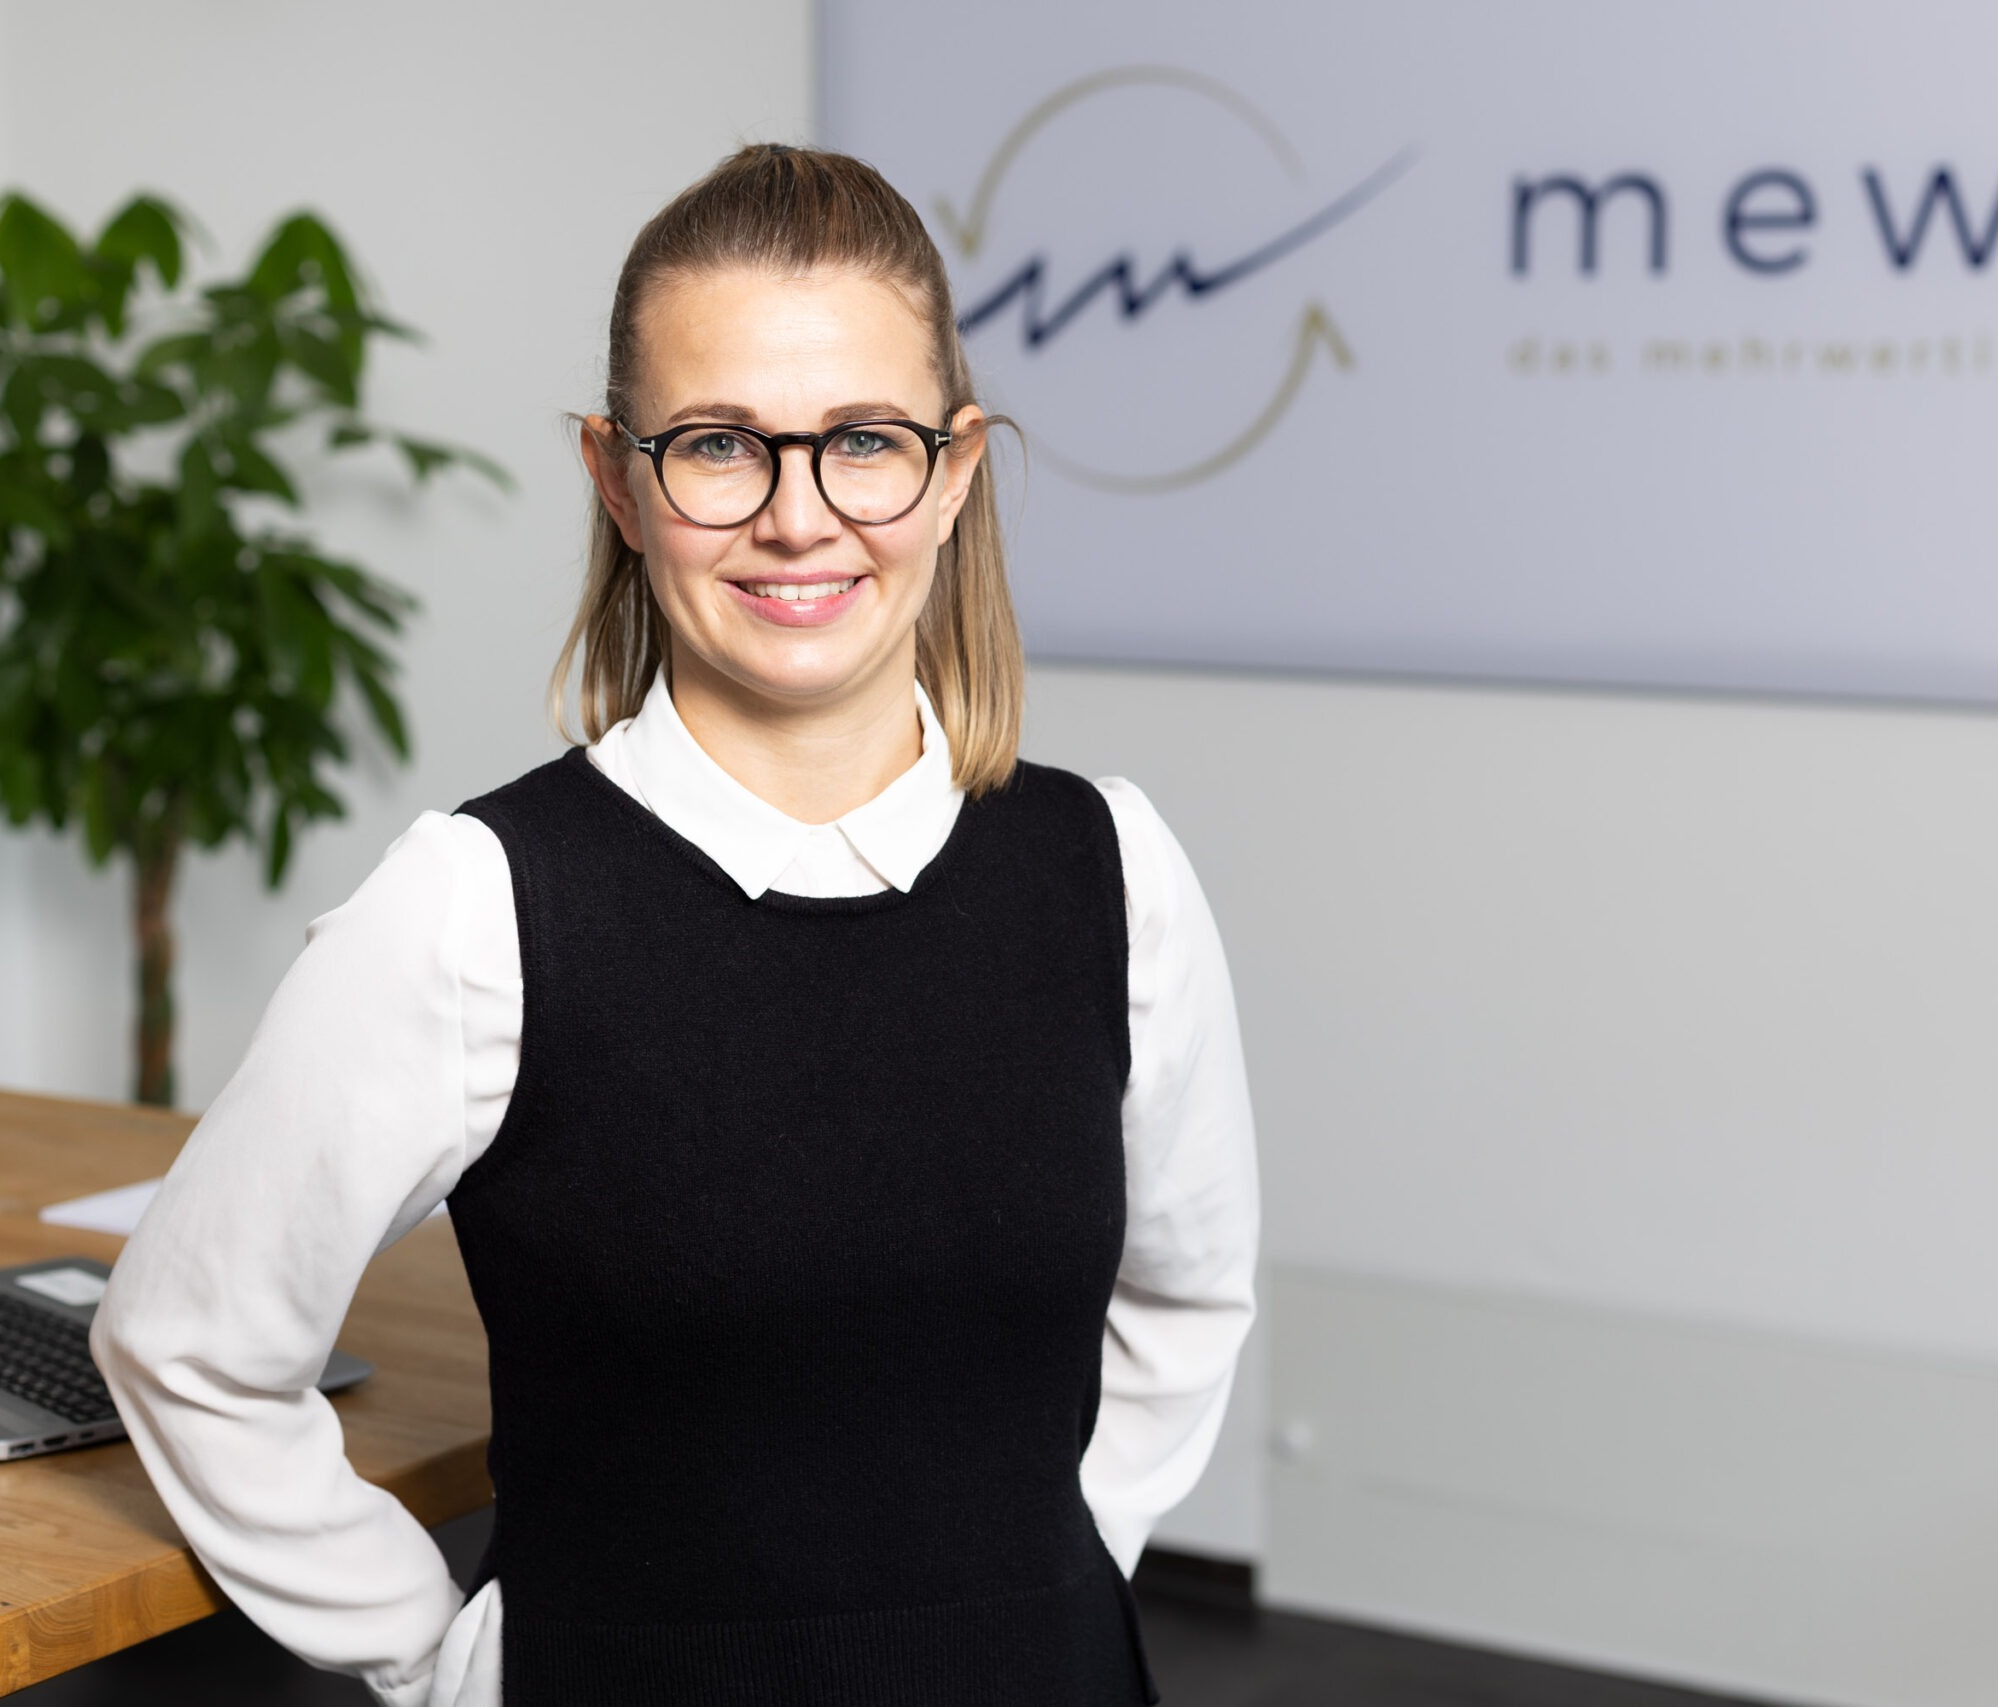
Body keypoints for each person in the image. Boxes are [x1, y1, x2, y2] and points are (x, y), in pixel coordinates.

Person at [89, 143, 1258, 1707]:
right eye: (719, 445)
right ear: (618, 481)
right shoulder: (477, 906)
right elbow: (188, 1342)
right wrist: (439, 1661)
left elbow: (1188, 1298)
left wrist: (1056, 1559)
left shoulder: (1111, 869)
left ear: (956, 471)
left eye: (864, 441)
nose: (797, 518)